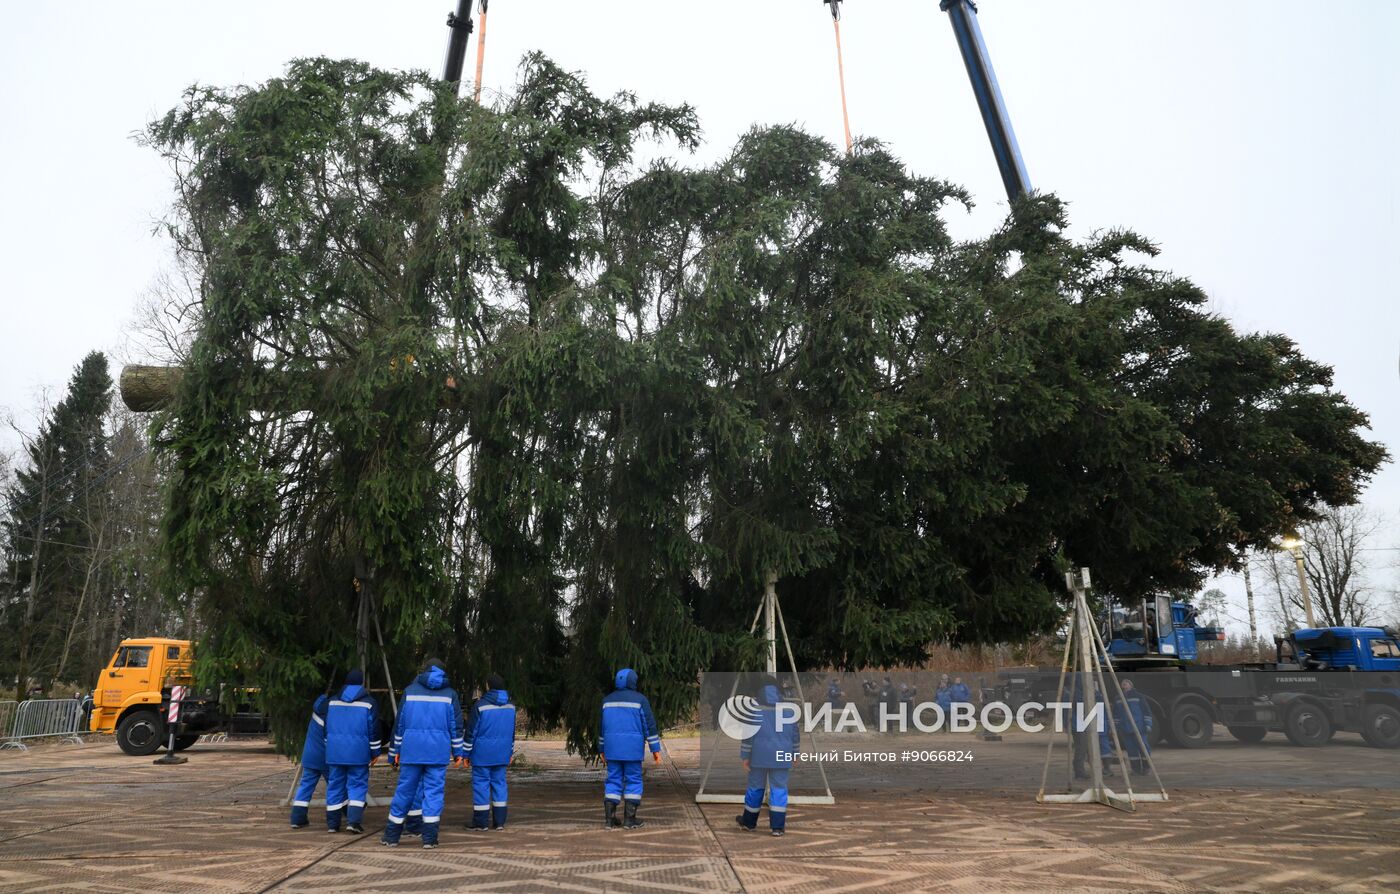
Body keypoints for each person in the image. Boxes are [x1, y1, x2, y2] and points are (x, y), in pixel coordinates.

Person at [381, 658, 466, 849]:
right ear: (443, 673)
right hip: (438, 752)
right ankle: (429, 838)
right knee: (434, 794)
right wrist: (458, 752)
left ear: (425, 671)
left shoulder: (410, 691)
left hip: (411, 751)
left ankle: (391, 836)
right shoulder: (450, 694)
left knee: (404, 792)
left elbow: (399, 725)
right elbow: (456, 726)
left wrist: (394, 751)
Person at [736, 677, 801, 837]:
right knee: (779, 789)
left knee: (755, 788)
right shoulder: (789, 708)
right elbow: (795, 734)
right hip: (782, 755)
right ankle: (777, 827)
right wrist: (795, 753)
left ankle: (749, 823)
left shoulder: (753, 708)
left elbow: (748, 735)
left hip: (759, 755)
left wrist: (745, 755)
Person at [600, 667, 662, 829]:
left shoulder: (607, 701)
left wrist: (602, 749)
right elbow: (649, 725)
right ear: (633, 682)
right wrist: (655, 749)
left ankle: (609, 820)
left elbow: (602, 728)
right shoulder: (640, 700)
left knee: (613, 780)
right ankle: (630, 819)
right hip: (632, 750)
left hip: (612, 749)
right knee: (633, 780)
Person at [324, 670, 381, 834]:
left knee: (334, 786)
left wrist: (329, 746)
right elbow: (373, 729)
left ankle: (333, 825)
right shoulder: (369, 703)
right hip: (358, 753)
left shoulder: (332, 702)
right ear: (361, 683)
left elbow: (326, 728)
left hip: (335, 752)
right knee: (357, 785)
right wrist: (375, 752)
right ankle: (353, 822)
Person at [465, 673, 516, 831]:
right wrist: (509, 753)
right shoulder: (511, 707)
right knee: (500, 785)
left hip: (482, 754)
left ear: (489, 687)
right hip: (502, 754)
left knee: (481, 786)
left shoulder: (480, 706)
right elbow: (512, 733)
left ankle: (481, 823)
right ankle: (499, 822)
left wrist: (465, 754)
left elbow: (471, 732)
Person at [289, 688, 330, 829]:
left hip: (310, 756)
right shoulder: (331, 715)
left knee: (305, 786)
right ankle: (341, 814)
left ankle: (297, 818)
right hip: (326, 758)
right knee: (336, 786)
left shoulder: (317, 710)